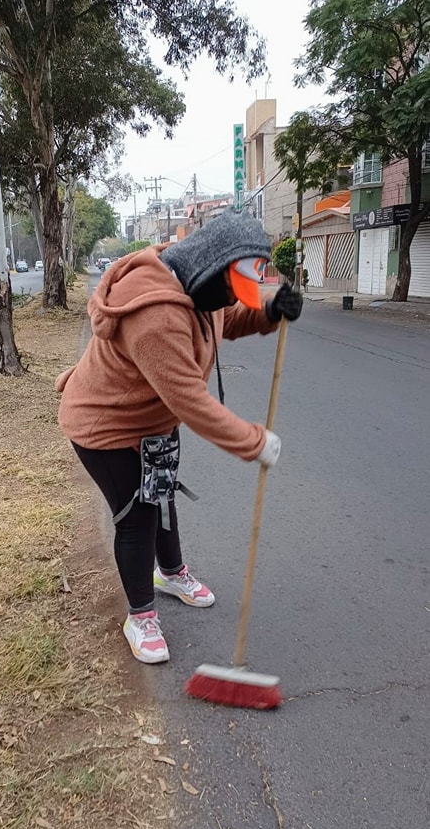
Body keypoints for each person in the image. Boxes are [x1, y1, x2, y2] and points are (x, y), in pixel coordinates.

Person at [56, 209, 302, 664]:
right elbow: (189, 399)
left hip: (153, 420)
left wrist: (268, 310)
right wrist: (254, 442)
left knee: (161, 498)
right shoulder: (156, 315)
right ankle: (140, 616)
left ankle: (170, 573)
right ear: (211, 266)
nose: (234, 298)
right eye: (233, 288)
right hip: (103, 425)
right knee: (137, 516)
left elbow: (227, 318)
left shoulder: (197, 284)